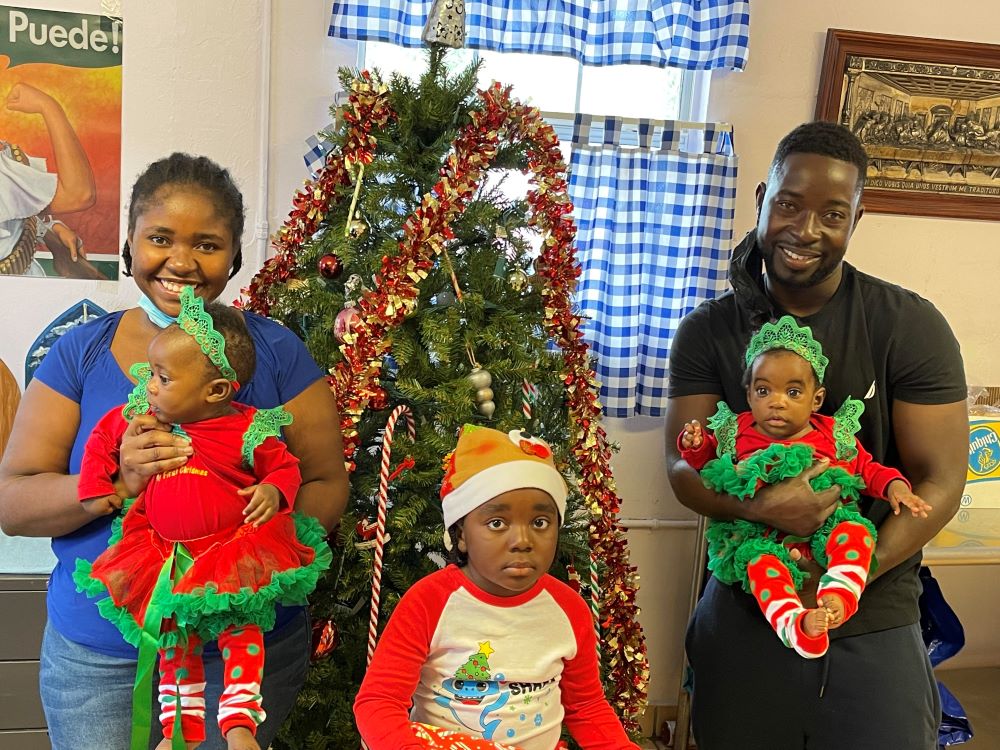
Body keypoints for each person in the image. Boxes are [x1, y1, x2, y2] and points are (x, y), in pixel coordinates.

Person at [0, 152, 350, 750]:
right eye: (160, 238)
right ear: (130, 244)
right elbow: (13, 502)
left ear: (235, 256)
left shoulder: (273, 352)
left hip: (239, 655)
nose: (181, 262)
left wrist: (254, 559)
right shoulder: (79, 352)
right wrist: (114, 485)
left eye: (208, 244)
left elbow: (324, 481)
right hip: (102, 655)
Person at [665, 120, 967, 750]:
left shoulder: (907, 326)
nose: (805, 231)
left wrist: (845, 579)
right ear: (761, 201)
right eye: (789, 205)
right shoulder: (709, 331)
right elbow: (681, 467)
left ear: (858, 217)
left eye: (832, 213)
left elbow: (940, 480)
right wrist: (761, 507)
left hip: (873, 604)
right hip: (750, 594)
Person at [75, 287, 332, 750]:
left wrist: (274, 489)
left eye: (163, 378)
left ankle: (238, 725)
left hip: (228, 556)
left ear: (215, 391)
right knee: (175, 644)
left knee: (241, 630)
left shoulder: (246, 427)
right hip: (166, 558)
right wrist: (97, 486)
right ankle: (181, 729)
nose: (149, 385)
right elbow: (102, 437)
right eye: (151, 373)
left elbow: (286, 466)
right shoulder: (148, 422)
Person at [354, 425, 638, 750]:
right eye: (497, 523)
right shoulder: (429, 602)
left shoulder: (569, 608)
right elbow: (378, 701)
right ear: (461, 535)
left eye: (540, 523)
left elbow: (586, 707)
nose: (522, 541)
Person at [677, 315, 930, 658]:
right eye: (764, 390)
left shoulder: (833, 436)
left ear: (817, 399)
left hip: (827, 529)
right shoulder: (735, 432)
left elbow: (868, 470)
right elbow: (710, 468)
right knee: (760, 568)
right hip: (760, 535)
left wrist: (895, 488)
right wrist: (696, 445)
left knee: (857, 535)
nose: (777, 401)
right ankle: (794, 623)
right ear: (749, 395)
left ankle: (841, 590)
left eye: (793, 392)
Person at [1, 81, 104, 278]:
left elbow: (11, 214)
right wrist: (48, 107)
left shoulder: (7, 154)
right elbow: (79, 194)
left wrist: (49, 229)